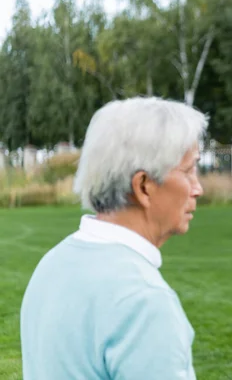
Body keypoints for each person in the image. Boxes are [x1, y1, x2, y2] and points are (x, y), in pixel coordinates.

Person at [20, 97, 208, 379]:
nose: (198, 189)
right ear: (144, 186)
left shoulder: (52, 264)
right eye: (189, 170)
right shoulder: (144, 302)